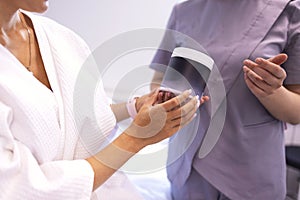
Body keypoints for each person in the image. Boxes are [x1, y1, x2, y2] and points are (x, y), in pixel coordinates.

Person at [0, 0, 206, 199]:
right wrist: (137, 138)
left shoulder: (62, 39)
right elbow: (19, 188)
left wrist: (134, 107)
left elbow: (76, 116)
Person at [150, 0, 300, 199]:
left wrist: (271, 91)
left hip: (251, 172)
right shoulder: (184, 11)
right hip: (187, 168)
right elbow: (158, 83)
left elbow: (296, 113)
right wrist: (166, 100)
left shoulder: (290, 11)